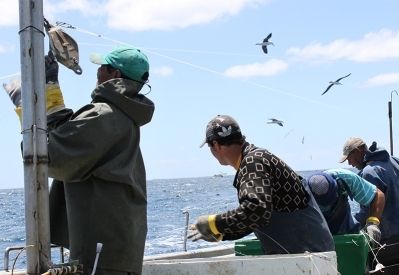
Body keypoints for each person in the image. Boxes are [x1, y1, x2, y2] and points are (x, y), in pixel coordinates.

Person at [4, 46, 155, 275]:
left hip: (101, 253)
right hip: (117, 248)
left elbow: (50, 156)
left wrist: (26, 107)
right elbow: (70, 138)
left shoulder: (104, 115)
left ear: (114, 75)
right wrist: (51, 89)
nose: (98, 73)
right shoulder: (122, 117)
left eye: (102, 68)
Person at [188, 115, 334, 255]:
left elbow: (256, 211)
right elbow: (255, 219)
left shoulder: (252, 162)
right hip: (310, 253)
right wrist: (221, 233)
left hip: (308, 257)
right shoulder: (256, 159)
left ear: (215, 145)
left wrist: (214, 223)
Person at [340, 137, 399, 272]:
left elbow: (367, 211)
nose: (350, 163)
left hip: (388, 243)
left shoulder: (369, 172)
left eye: (349, 157)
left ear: (358, 151)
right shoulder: (394, 160)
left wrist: (347, 227)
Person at [307, 168, 385, 241]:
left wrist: (372, 223)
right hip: (318, 236)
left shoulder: (345, 178)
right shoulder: (302, 193)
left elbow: (378, 195)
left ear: (335, 185)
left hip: (348, 233)